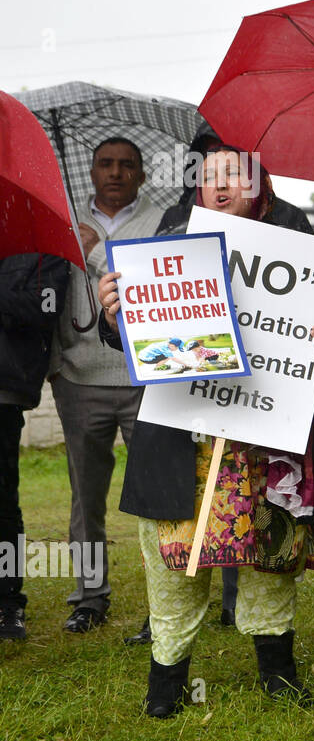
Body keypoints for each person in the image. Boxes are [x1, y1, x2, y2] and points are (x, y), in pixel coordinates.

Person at [97, 140, 314, 716]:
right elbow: (142, 344)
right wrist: (114, 316)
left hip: (269, 442)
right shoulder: (164, 253)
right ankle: (166, 681)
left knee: (271, 551)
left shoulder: (301, 253)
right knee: (175, 556)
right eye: (209, 176)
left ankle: (278, 674)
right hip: (186, 439)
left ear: (260, 185)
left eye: (236, 173)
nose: (222, 185)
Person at [50, 137, 163, 635]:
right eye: (105, 164)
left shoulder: (162, 223)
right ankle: (89, 597)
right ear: (91, 171)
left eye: (127, 165)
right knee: (86, 494)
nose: (115, 172)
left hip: (143, 376)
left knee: (158, 494)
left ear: (142, 174)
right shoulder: (64, 219)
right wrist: (56, 364)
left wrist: (95, 255)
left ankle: (163, 602)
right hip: (79, 377)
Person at [0, 254, 70, 640]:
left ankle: (7, 604)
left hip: (4, 392)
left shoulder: (42, 255)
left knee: (2, 503)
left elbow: (42, 309)